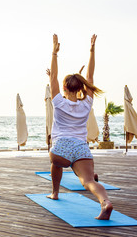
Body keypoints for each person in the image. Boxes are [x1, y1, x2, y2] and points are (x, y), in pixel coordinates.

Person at [47, 34, 113, 220]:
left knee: (55, 162)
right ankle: (105, 202)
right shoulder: (87, 104)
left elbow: (53, 76)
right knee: (89, 181)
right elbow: (90, 76)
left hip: (61, 149)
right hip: (80, 148)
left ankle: (55, 193)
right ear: (81, 88)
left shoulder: (58, 102)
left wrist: (54, 52)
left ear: (64, 88)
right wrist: (92, 49)